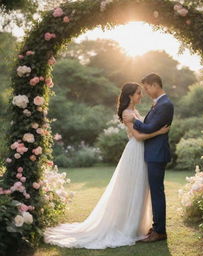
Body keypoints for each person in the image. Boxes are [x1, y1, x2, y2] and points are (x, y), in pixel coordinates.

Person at [43, 82, 169, 249]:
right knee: (131, 188)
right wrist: (159, 132)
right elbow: (138, 136)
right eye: (139, 93)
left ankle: (137, 225)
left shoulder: (134, 111)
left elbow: (143, 128)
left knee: (139, 188)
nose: (141, 96)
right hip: (135, 151)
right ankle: (126, 226)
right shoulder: (126, 113)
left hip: (142, 153)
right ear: (130, 95)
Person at [126, 73, 174, 243]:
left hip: (157, 154)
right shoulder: (159, 104)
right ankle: (157, 227)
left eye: (146, 88)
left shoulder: (165, 104)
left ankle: (159, 231)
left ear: (155, 85)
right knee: (155, 192)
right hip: (153, 153)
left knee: (157, 193)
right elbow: (153, 128)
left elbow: (150, 127)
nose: (145, 92)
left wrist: (134, 120)